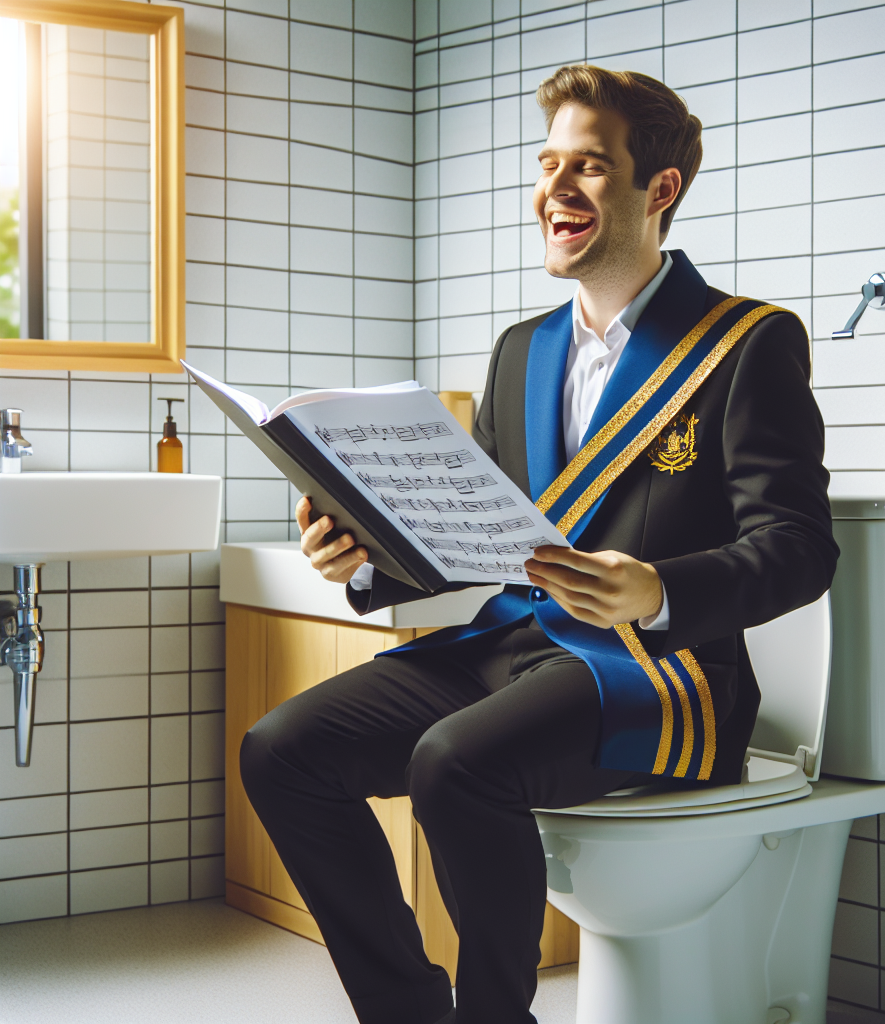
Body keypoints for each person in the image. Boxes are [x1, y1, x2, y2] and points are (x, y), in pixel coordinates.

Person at [240, 65, 838, 1024]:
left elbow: (802, 549)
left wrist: (654, 589)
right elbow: (469, 530)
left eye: (589, 167)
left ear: (660, 190)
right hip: (515, 650)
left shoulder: (749, 342)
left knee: (455, 762)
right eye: (548, 163)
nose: (555, 188)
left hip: (664, 671)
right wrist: (363, 559)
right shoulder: (521, 349)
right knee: (280, 750)